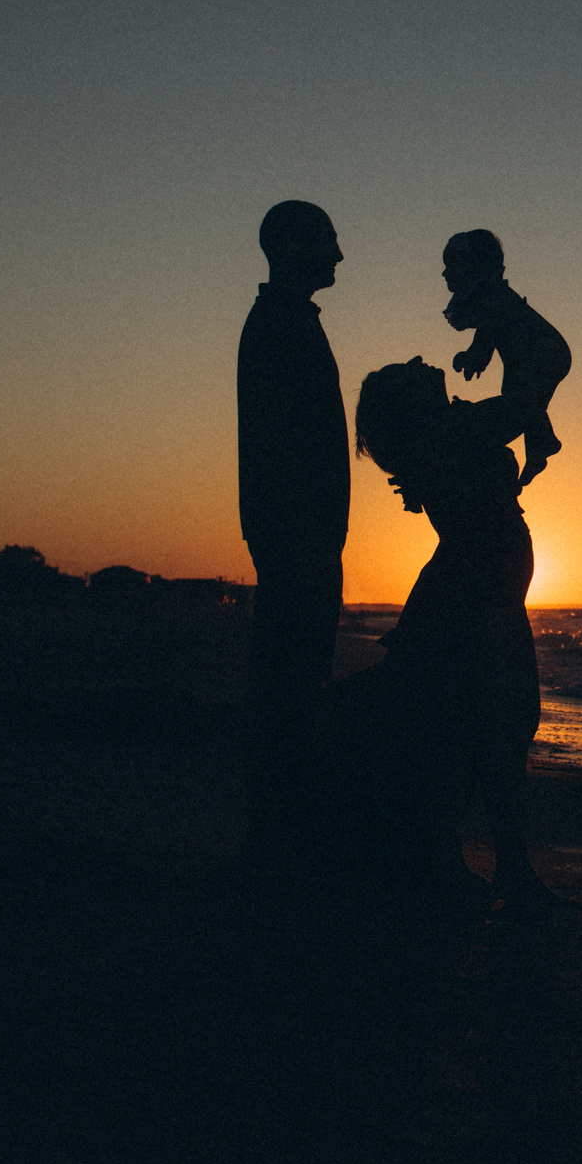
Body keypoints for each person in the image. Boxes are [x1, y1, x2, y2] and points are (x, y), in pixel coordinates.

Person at [343, 357, 569, 915]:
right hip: (477, 594)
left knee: (475, 733)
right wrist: (505, 315)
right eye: (412, 368)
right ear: (412, 402)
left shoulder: (445, 432)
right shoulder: (453, 430)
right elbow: (539, 380)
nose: (424, 359)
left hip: (476, 591)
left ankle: (466, 865)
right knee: (494, 730)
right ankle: (496, 869)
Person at [236, 200, 349, 881]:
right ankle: (276, 842)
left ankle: (279, 838)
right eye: (329, 241)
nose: (339, 255)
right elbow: (281, 444)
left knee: (296, 678)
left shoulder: (287, 322)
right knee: (289, 683)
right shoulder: (278, 325)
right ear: (291, 245)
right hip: (295, 534)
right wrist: (297, 534)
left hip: (302, 534)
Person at [440, 229, 572, 488]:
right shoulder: (489, 295)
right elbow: (488, 331)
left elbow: (489, 329)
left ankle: (543, 444)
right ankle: (540, 446)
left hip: (544, 350)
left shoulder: (491, 296)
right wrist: (475, 356)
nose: (445, 273)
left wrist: (475, 356)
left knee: (521, 396)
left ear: (472, 267)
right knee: (521, 400)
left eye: (451, 266)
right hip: (533, 352)